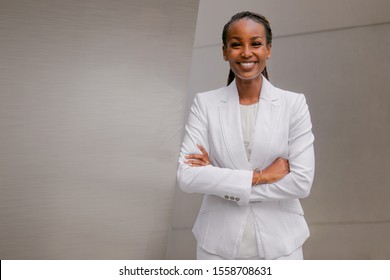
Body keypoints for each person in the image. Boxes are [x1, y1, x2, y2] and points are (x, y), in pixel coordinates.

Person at [177, 11, 315, 260]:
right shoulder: (205, 104)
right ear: (224, 51)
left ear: (268, 49)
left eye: (256, 43)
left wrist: (219, 180)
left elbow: (302, 183)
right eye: (236, 44)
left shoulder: (293, 104)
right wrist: (261, 176)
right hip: (216, 247)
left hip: (282, 245)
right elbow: (188, 176)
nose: (246, 52)